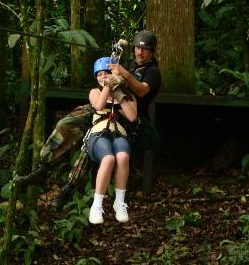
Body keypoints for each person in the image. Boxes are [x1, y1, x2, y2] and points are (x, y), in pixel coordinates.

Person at [16, 30, 161, 209]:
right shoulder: (130, 66)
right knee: (65, 123)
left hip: (123, 112)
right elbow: (109, 72)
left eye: (144, 49)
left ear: (152, 51)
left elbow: (141, 91)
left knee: (88, 147)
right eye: (137, 48)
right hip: (104, 102)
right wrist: (117, 53)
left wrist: (123, 75)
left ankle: (67, 191)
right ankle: (43, 167)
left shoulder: (153, 72)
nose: (140, 52)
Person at [86, 57, 137, 224]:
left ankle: (119, 202)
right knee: (108, 159)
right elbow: (99, 106)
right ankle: (96, 205)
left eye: (106, 73)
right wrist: (108, 87)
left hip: (118, 133)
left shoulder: (128, 95)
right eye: (99, 75)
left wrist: (120, 94)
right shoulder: (95, 92)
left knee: (122, 157)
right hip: (99, 134)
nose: (103, 77)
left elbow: (132, 116)